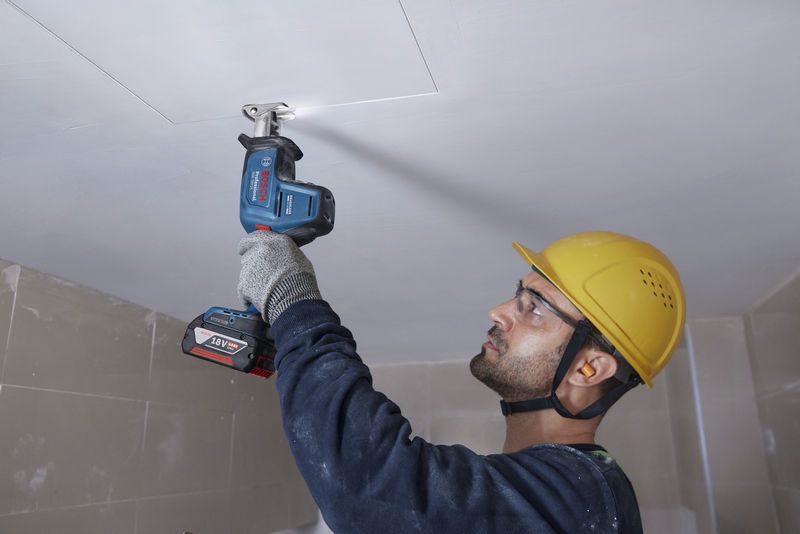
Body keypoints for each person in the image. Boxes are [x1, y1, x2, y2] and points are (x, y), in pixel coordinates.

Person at [237, 230, 685, 534]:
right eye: (518, 296)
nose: (499, 311)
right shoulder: (566, 493)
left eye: (534, 308)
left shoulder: (581, 492)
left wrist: (291, 299)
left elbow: (372, 481)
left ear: (589, 369)